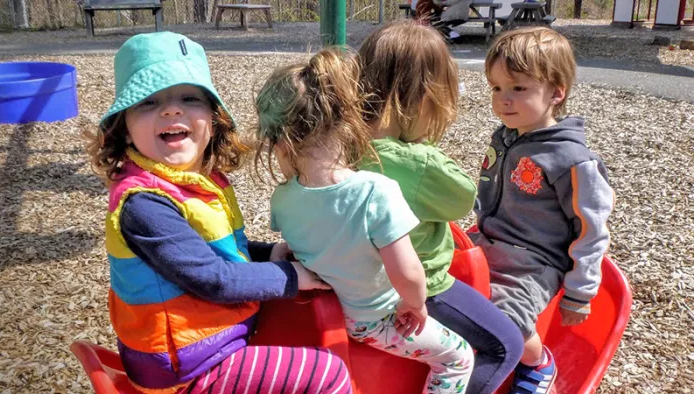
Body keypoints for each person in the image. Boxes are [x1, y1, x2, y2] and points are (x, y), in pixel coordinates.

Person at [84, 31, 351, 394]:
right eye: (148, 102)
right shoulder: (143, 204)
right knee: (327, 372)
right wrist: (291, 276)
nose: (171, 109)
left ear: (212, 120)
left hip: (210, 343)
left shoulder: (196, 182)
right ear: (125, 130)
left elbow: (214, 251)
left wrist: (268, 253)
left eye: (189, 97)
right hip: (188, 368)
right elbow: (214, 278)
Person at [254, 47, 475, 394]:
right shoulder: (375, 192)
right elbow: (409, 272)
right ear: (348, 122)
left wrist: (281, 249)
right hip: (374, 320)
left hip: (327, 313)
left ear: (282, 144)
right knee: (458, 358)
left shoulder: (282, 199)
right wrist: (413, 304)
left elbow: (307, 240)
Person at [357, 20, 524, 394]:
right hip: (417, 286)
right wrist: (422, 149)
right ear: (425, 98)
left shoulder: (338, 146)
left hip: (352, 283)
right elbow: (463, 199)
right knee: (506, 345)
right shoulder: (417, 164)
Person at [472, 26, 615, 394]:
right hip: (487, 240)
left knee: (507, 320)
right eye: (497, 88)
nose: (503, 99)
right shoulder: (505, 137)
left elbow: (591, 229)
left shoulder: (571, 159)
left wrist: (579, 292)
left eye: (518, 88)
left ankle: (538, 363)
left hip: (535, 262)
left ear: (556, 92)